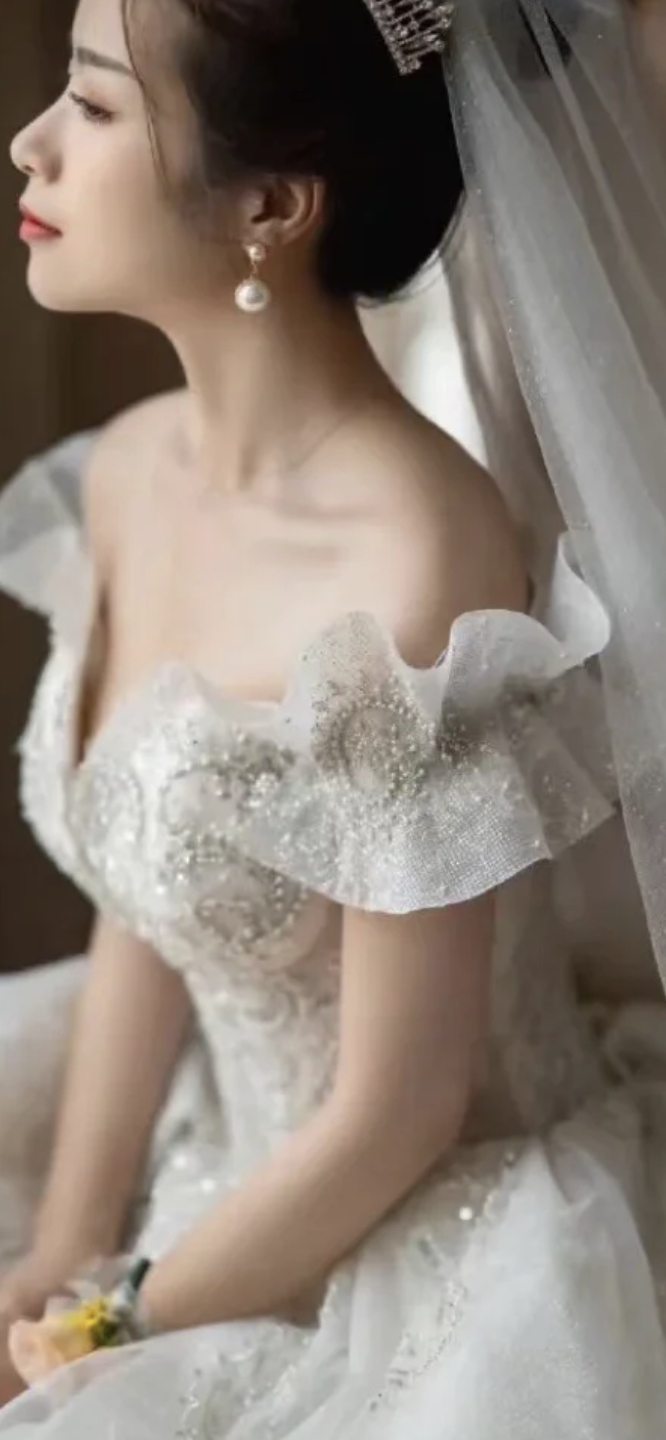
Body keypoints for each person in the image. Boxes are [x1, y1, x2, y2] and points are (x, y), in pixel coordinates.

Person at [1, 0, 666, 1435]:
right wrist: (60, 1250)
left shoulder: (412, 564)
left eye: (96, 108)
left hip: (425, 1227)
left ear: (271, 207)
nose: (29, 147)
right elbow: (150, 887)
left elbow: (396, 1116)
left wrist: (110, 1325)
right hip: (210, 1166)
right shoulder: (127, 473)